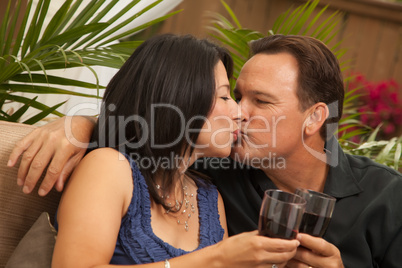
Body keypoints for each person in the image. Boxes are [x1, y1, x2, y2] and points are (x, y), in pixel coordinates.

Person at [8, 35, 402, 267]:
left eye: (259, 102)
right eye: (232, 95)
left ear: (314, 119)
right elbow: (149, 123)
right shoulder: (220, 166)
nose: (239, 113)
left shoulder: (389, 199)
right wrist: (78, 125)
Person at [39, 33, 302, 267]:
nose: (239, 112)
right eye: (225, 96)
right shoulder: (110, 168)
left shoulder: (209, 198)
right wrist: (217, 259)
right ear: (180, 98)